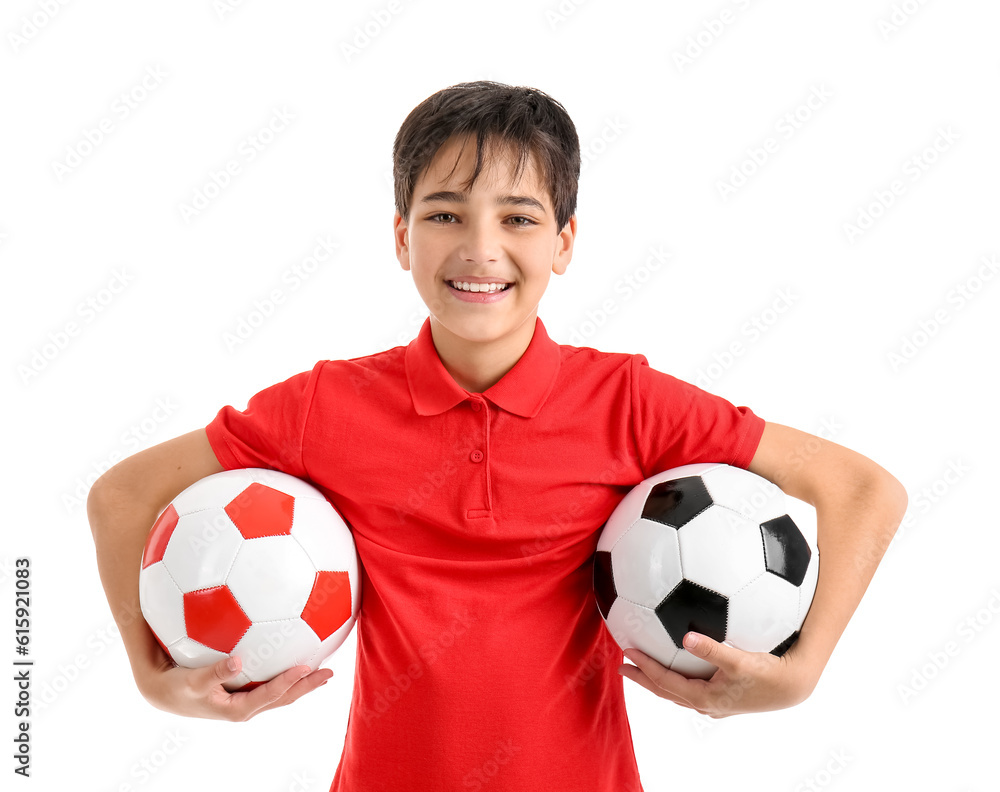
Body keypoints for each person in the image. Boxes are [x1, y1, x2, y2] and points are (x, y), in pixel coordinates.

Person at [87, 81, 908, 792]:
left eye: (519, 217)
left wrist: (799, 674)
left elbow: (862, 490)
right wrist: (153, 678)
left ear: (564, 243)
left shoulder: (627, 401)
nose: (482, 249)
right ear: (403, 236)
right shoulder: (325, 406)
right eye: (445, 214)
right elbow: (120, 495)